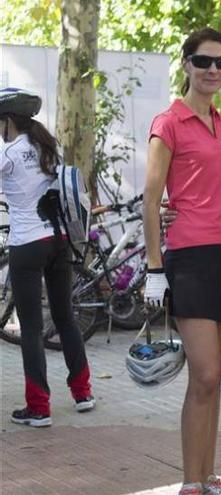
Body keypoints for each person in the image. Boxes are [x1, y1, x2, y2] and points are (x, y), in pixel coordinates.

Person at [143, 28, 221, 495]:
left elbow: (216, 190)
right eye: (204, 61)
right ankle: (190, 482)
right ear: (186, 64)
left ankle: (209, 476)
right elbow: (151, 201)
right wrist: (153, 270)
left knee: (216, 377)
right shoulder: (168, 122)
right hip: (188, 256)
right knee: (203, 373)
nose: (213, 70)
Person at [0, 88, 95, 428]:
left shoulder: (8, 152)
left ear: (8, 121)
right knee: (65, 317)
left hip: (28, 244)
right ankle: (83, 393)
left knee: (31, 328)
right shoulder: (47, 146)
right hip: (59, 240)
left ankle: (38, 407)